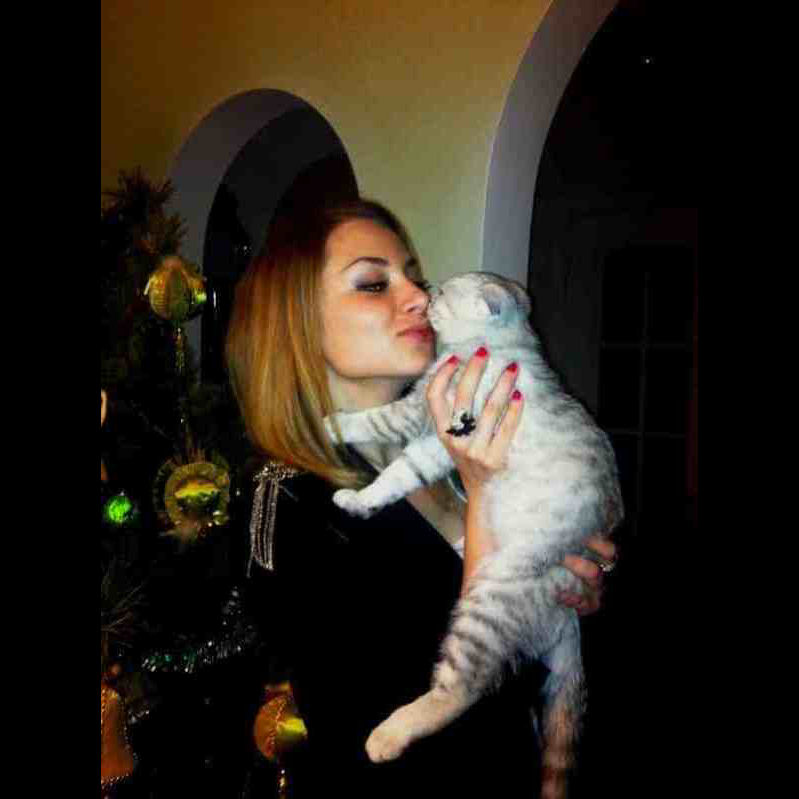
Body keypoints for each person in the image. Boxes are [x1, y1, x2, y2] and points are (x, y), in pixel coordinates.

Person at [225, 199, 618, 798]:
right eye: (373, 283)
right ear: (296, 320)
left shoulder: (446, 452)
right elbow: (386, 746)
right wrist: (484, 499)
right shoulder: (286, 504)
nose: (416, 295)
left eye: (414, 276)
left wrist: (560, 594)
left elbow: (519, 669)